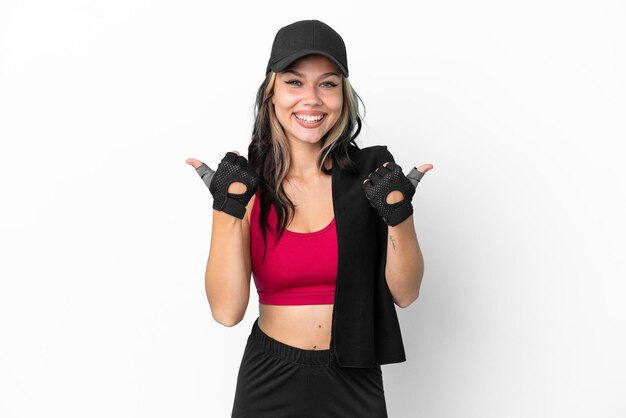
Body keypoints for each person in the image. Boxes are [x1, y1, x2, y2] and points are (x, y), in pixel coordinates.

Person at [185, 19, 433, 418]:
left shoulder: (372, 178)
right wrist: (226, 210)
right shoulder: (245, 185)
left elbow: (406, 294)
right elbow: (227, 312)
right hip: (269, 375)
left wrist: (398, 213)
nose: (312, 99)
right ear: (271, 93)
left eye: (328, 83)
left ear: (343, 96)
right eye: (295, 82)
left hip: (354, 373)